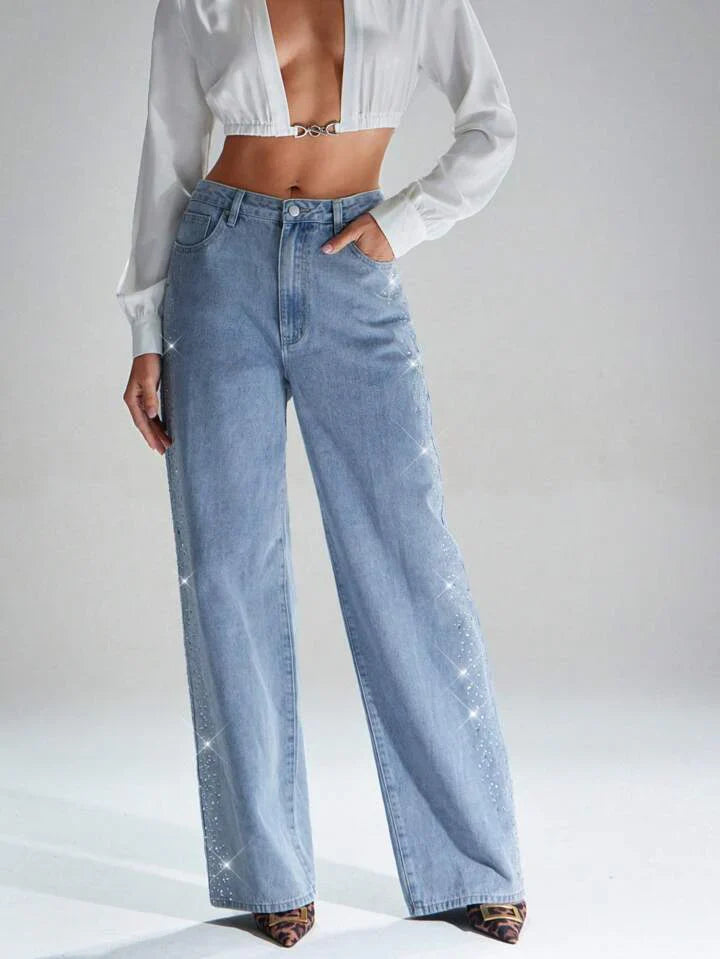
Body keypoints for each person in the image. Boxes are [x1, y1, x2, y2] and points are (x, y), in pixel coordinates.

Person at [116, 0, 527, 946]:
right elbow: (169, 150)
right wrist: (144, 327)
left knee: (409, 560)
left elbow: (492, 124)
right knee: (230, 564)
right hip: (220, 264)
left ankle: (471, 865)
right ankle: (270, 871)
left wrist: (406, 221)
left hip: (353, 260)